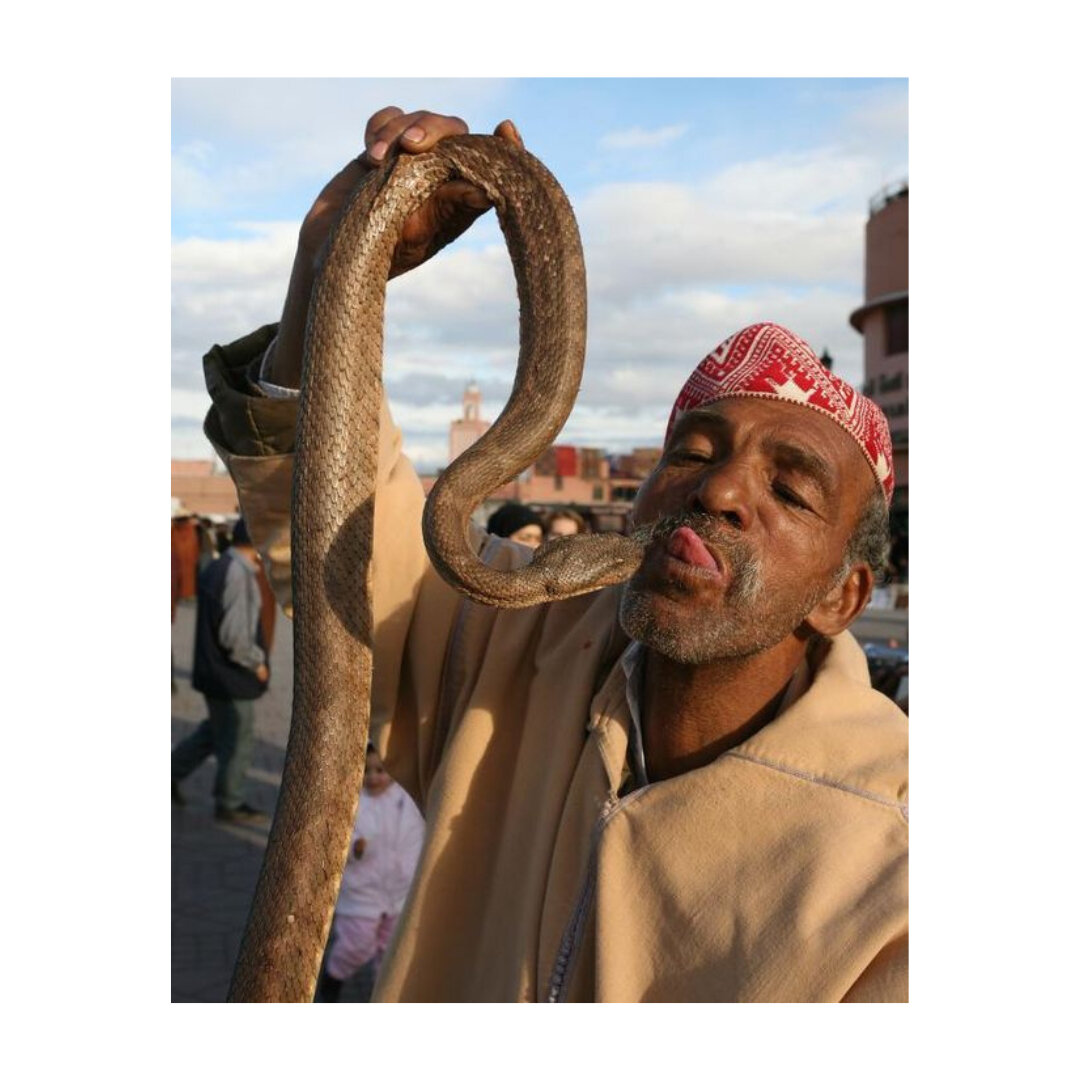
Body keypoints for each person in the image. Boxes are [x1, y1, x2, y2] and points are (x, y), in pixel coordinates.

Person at [200, 107, 907, 1000]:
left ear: (844, 597)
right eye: (692, 452)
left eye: (791, 490)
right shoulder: (519, 651)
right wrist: (335, 266)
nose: (720, 490)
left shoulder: (894, 875)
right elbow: (342, 544)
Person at [171, 516, 271, 824]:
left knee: (214, 732)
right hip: (230, 675)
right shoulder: (238, 575)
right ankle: (231, 802)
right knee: (238, 737)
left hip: (214, 672)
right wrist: (257, 663)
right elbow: (234, 636)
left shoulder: (221, 566)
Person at [316, 744, 425, 1002]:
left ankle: (384, 993)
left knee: (392, 951)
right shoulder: (350, 802)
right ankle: (334, 976)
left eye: (380, 770)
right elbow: (332, 844)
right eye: (366, 770)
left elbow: (422, 830)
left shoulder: (406, 797)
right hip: (362, 894)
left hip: (400, 893)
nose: (373, 777)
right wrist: (354, 848)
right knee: (357, 945)